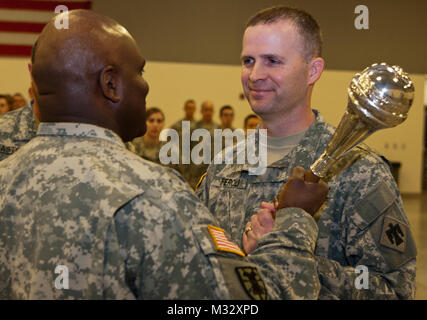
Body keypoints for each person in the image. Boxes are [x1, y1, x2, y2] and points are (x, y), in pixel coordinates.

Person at [0, 9, 328, 300]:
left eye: (272, 60)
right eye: (139, 72)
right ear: (110, 84)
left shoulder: (6, 178)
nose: (145, 88)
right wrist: (293, 222)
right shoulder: (153, 195)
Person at [196, 5, 417, 300]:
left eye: (273, 61)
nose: (255, 75)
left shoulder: (360, 172)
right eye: (248, 60)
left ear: (313, 70)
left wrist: (293, 257)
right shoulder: (223, 166)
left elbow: (395, 290)